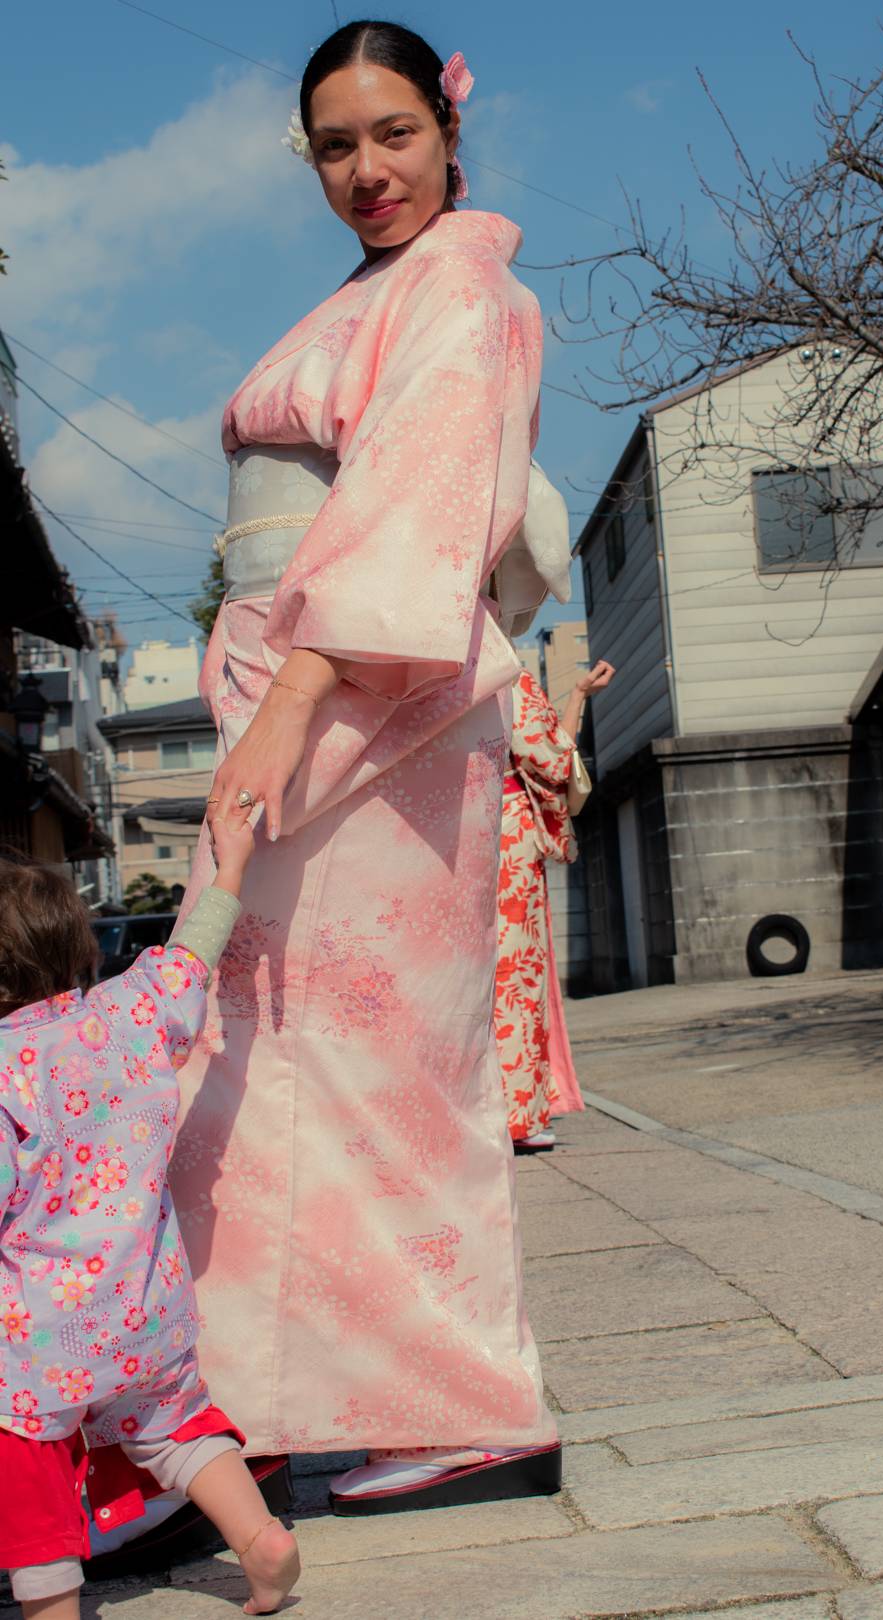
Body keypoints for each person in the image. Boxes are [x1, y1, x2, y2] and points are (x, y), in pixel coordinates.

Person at [144, 20, 561, 1520]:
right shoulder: (385, 293)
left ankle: (459, 1407)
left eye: (393, 133)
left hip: (364, 704)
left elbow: (410, 518)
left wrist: (285, 703)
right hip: (313, 685)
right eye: (336, 145)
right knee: (268, 1068)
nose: (368, 170)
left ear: (450, 130)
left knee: (370, 1071)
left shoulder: (465, 291)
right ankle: (250, 1408)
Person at [0, 838, 300, 1619]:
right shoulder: (128, 1011)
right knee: (176, 1429)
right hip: (148, 1310)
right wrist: (228, 865)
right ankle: (262, 1541)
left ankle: (51, 1608)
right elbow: (192, 951)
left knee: (24, 1457)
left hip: (38, 1337)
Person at [497, 661, 615, 1150]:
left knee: (480, 974)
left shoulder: (452, 666)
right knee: (516, 974)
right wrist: (575, 703)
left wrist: (578, 695)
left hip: (463, 823)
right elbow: (548, 759)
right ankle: (516, 1115)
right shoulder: (504, 672)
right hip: (507, 831)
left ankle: (490, 1109)